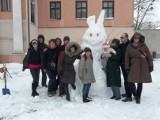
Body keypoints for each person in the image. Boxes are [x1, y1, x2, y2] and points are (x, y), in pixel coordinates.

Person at [125, 32, 153, 104]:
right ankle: (136, 95)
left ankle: (138, 97)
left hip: (142, 65)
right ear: (133, 38)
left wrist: (150, 65)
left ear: (140, 38)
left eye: (137, 38)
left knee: (140, 82)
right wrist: (127, 67)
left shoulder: (144, 45)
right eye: (135, 37)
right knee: (130, 81)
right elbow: (127, 57)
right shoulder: (129, 46)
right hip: (133, 65)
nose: (136, 39)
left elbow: (149, 56)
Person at [119, 33, 136, 102]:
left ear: (126, 37)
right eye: (120, 37)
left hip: (129, 66)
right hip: (123, 66)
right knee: (126, 80)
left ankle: (132, 95)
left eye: (122, 37)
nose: (121, 39)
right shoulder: (121, 45)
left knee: (130, 80)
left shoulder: (131, 45)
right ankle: (129, 93)